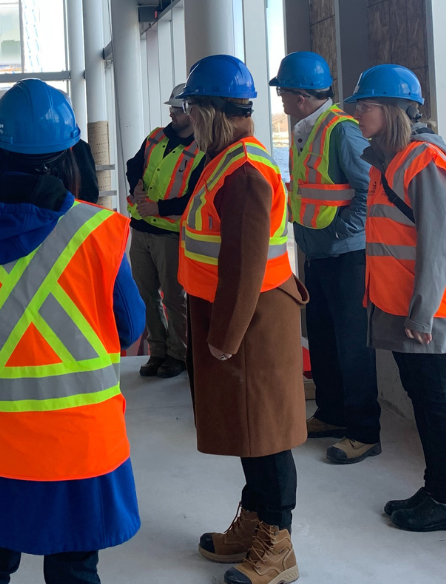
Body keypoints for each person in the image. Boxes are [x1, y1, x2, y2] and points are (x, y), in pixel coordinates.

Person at [0, 79, 145, 584]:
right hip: (82, 442)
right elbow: (131, 327)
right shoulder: (97, 230)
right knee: (73, 567)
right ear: (71, 154)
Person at [178, 55, 308, 584]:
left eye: (190, 108)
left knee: (266, 433)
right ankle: (254, 521)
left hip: (251, 321)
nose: (185, 118)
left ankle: (278, 544)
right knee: (248, 430)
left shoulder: (245, 170)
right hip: (238, 315)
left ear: (210, 110)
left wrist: (225, 336)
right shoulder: (225, 158)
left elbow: (245, 264)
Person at [347, 64, 446, 532]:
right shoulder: (391, 161)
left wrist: (420, 314)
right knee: (423, 399)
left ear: (393, 110)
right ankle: (435, 488)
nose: (359, 113)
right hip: (404, 310)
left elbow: (438, 246)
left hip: (429, 313)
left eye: (366, 105)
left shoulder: (424, 162)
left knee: (434, 400)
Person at [270, 52, 381, 465]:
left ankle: (365, 432)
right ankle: (332, 414)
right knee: (323, 340)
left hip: (347, 258)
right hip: (317, 255)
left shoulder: (342, 132)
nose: (279, 99)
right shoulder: (306, 129)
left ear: (300, 96)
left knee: (353, 346)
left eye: (282, 92)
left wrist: (334, 233)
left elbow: (368, 194)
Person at [125, 83, 206, 378]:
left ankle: (177, 354)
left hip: (170, 234)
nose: (171, 113)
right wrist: (136, 187)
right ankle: (157, 351)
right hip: (142, 228)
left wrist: (158, 208)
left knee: (174, 297)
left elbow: (194, 196)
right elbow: (133, 165)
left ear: (191, 112)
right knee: (146, 294)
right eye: (170, 108)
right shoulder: (156, 137)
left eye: (177, 108)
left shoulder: (202, 150)